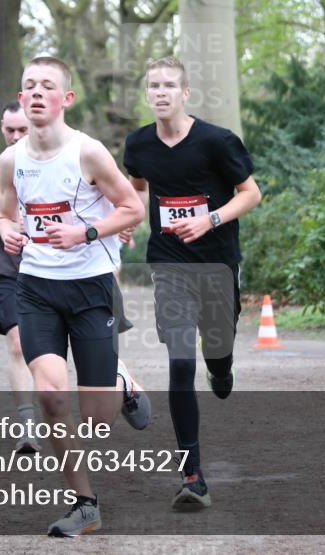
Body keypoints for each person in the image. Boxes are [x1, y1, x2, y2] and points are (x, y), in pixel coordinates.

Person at [0, 55, 150, 537]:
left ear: (66, 100)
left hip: (91, 289)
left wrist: (86, 233)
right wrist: (6, 230)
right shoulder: (10, 160)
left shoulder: (89, 153)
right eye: (29, 86)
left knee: (99, 421)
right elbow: (4, 212)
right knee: (52, 396)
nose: (37, 92)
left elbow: (133, 209)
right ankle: (85, 504)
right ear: (22, 100)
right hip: (37, 289)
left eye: (48, 86)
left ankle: (120, 381)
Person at [121, 56, 262, 510]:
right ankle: (193, 474)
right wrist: (129, 220)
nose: (160, 93)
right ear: (147, 94)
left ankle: (221, 368)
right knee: (180, 364)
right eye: (153, 86)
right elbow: (138, 186)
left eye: (169, 86)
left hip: (218, 265)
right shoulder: (138, 144)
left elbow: (251, 194)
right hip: (170, 266)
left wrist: (211, 219)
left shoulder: (217, 142)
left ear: (186, 94)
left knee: (216, 352)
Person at [0, 102, 40, 454]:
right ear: (2, 127)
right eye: (9, 130)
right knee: (17, 343)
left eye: (22, 130)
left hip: (50, 266)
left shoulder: (53, 163)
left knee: (50, 350)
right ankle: (27, 428)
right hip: (6, 267)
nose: (15, 136)